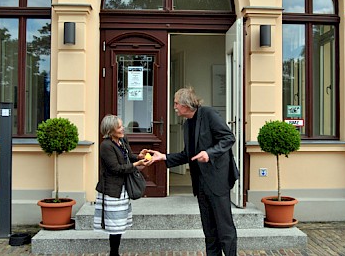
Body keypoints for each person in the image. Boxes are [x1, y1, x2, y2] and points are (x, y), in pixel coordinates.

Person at [147, 87, 238, 256]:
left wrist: (209, 154)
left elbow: (228, 138)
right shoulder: (187, 124)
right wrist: (164, 157)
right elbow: (187, 155)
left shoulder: (209, 114)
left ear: (186, 105)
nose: (174, 106)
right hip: (200, 183)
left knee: (224, 228)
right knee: (209, 230)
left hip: (217, 180)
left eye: (176, 103)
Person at [93, 114, 148, 256]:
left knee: (119, 224)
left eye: (122, 125)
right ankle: (114, 253)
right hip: (112, 190)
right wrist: (137, 164)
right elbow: (116, 169)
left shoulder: (123, 140)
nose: (123, 128)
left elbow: (129, 156)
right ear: (110, 130)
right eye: (119, 127)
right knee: (115, 226)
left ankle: (115, 252)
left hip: (122, 189)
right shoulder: (106, 146)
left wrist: (139, 157)